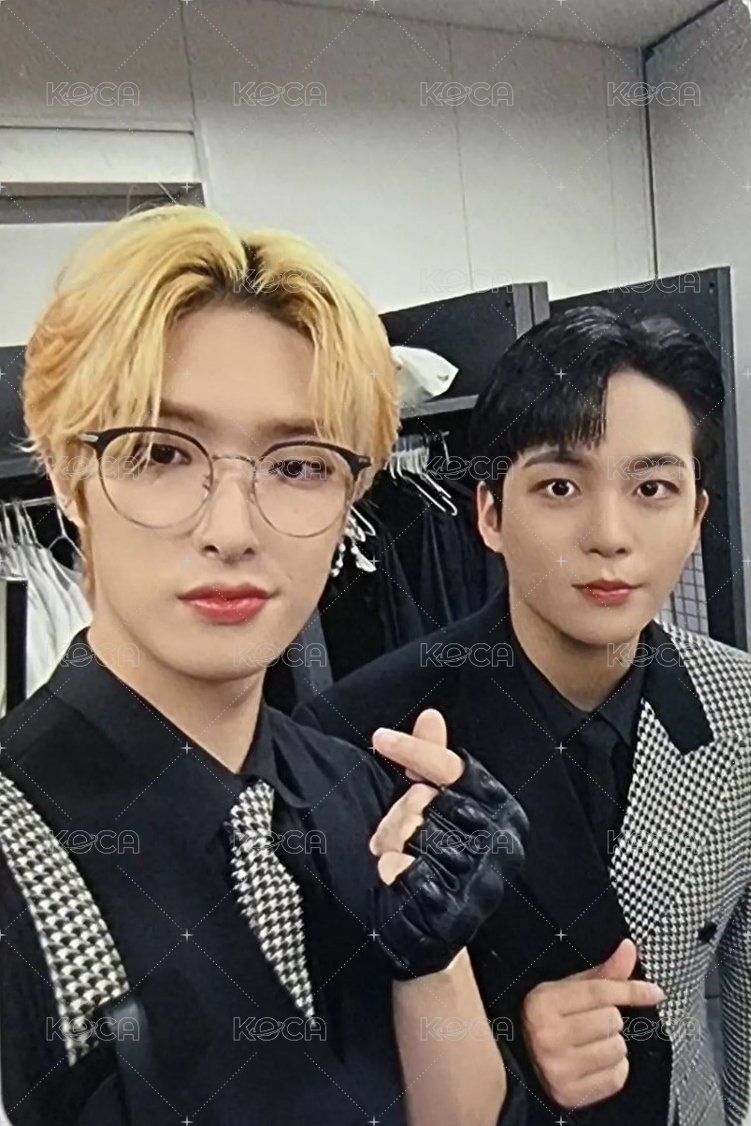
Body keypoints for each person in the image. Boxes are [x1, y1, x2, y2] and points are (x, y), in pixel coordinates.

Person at [0, 205, 529, 1126]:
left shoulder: (359, 792)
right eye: (160, 453)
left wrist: (431, 953)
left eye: (297, 466)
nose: (232, 529)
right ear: (65, 475)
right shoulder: (19, 861)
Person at [295, 306, 751, 1126]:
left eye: (651, 489)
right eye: (559, 487)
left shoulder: (739, 706)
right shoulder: (359, 738)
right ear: (489, 515)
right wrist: (506, 1046)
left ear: (694, 519)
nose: (608, 535)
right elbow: (318, 1049)